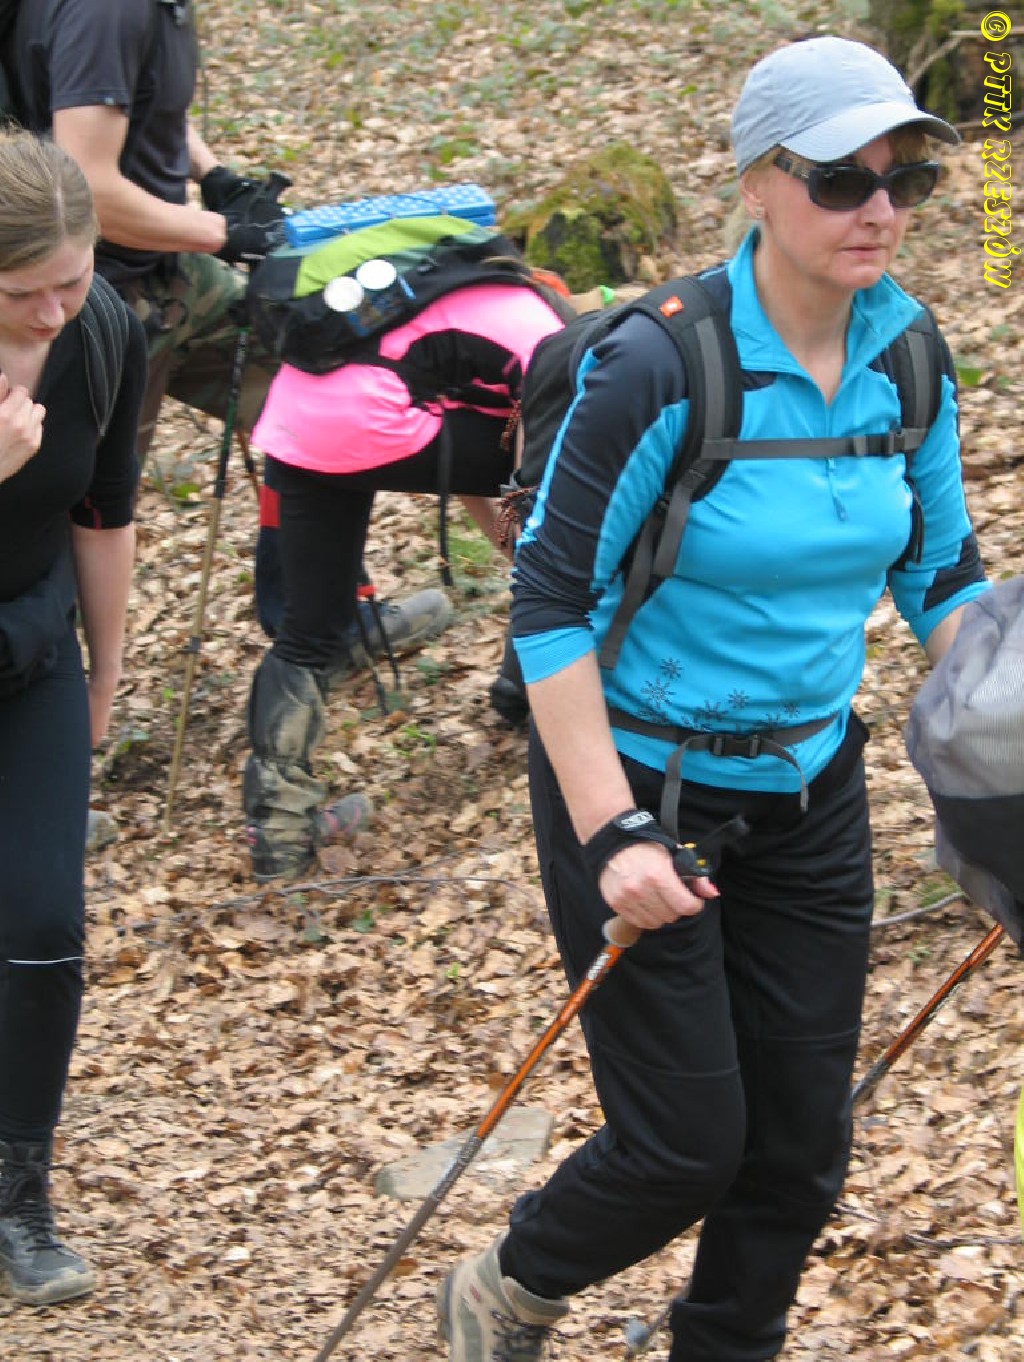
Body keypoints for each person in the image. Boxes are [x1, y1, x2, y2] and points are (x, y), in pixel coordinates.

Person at [437, 35, 990, 1362]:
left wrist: (1009, 716)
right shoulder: (661, 366)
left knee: (798, 1150)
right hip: (639, 780)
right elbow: (550, 603)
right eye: (840, 178)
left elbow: (940, 576)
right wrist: (612, 831)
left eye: (905, 179)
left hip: (809, 784)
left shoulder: (909, 355)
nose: (877, 208)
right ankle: (511, 1283)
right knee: (685, 1143)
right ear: (756, 182)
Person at [8, 0, 450, 651]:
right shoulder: (109, 11)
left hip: (173, 273)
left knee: (310, 398)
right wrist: (225, 233)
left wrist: (213, 175)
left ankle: (316, 623)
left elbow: (146, 101)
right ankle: (52, 675)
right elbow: (86, 186)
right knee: (84, 506)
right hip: (97, 305)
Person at [243, 276, 573, 881]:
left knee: (308, 635)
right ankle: (542, 689)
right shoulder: (554, 345)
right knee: (564, 499)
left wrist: (524, 555)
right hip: (369, 414)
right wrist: (544, 570)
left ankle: (277, 832)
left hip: (295, 417)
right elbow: (528, 485)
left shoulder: (458, 301)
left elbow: (482, 480)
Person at [0, 131, 146, 1305]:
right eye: (23, 294)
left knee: (45, 924)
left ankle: (19, 1195)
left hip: (31, 648)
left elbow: (105, 510)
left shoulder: (100, 333)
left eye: (72, 279)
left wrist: (102, 682)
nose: (53, 312)